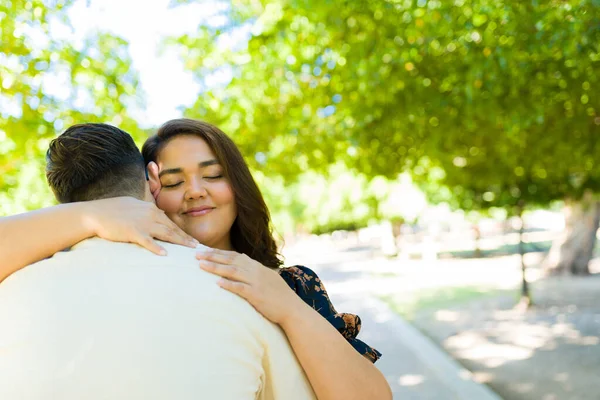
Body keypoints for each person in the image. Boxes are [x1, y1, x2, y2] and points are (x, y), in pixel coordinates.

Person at [0, 119, 393, 400]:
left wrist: (289, 308)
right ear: (151, 186)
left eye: (213, 175)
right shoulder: (114, 278)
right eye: (173, 182)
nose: (194, 192)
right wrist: (92, 215)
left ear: (237, 183)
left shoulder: (290, 288)